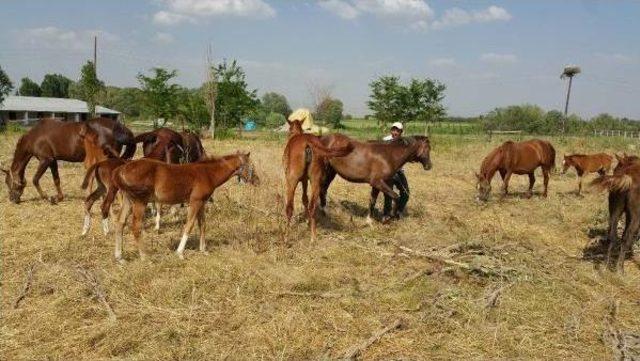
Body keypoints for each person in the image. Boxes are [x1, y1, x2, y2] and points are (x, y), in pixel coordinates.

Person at [382, 122, 410, 220]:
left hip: (399, 171)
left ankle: (398, 211)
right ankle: (386, 215)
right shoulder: (385, 141)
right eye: (393, 130)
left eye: (397, 130)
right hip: (387, 171)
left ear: (401, 132)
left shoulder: (404, 143)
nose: (395, 132)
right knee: (388, 193)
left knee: (406, 193)